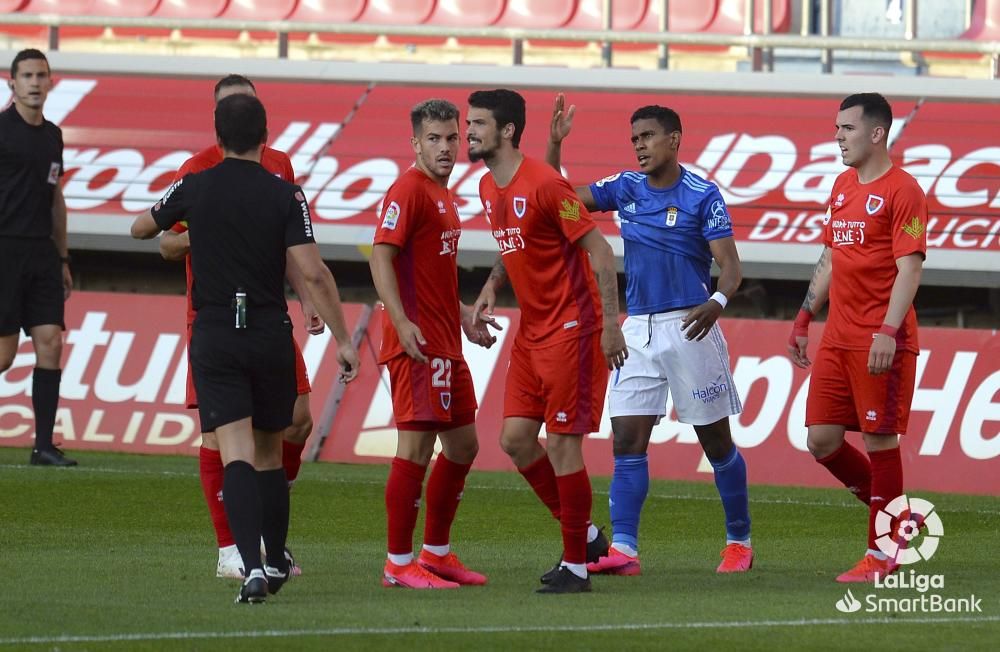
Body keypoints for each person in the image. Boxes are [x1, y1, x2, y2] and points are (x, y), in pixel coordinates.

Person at [131, 93, 360, 603]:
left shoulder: (194, 185)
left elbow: (142, 228)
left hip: (214, 331)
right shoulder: (286, 195)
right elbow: (313, 270)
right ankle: (276, 558)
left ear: (217, 137)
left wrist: (195, 226)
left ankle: (250, 567)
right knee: (271, 454)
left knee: (233, 451)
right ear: (265, 137)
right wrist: (344, 340)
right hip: (268, 330)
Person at [547, 95, 754, 575]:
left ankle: (739, 541)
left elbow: (731, 268)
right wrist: (554, 146)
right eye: (634, 139)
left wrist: (717, 303)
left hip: (690, 324)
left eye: (647, 137)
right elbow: (557, 198)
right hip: (636, 327)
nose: (639, 146)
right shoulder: (626, 187)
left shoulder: (703, 195)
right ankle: (624, 550)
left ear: (673, 140)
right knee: (626, 439)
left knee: (715, 442)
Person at [159, 75, 320, 580]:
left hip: (269, 314)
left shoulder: (279, 167)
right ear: (217, 120)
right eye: (229, 107)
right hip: (214, 315)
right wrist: (218, 223)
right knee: (218, 436)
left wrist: (309, 297)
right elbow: (165, 243)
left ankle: (269, 531)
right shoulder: (196, 171)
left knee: (298, 418)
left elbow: (291, 243)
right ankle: (230, 547)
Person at [467, 89, 627, 594]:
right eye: (467, 123)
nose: (468, 132)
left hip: (572, 331)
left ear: (508, 130)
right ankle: (588, 536)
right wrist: (494, 284)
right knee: (515, 440)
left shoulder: (544, 182)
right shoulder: (487, 187)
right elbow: (514, 243)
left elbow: (602, 253)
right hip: (532, 333)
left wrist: (610, 325)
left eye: (477, 124)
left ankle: (577, 566)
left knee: (562, 445)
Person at [788, 92, 927, 583]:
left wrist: (888, 330)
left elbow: (910, 268)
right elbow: (831, 257)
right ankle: (897, 515)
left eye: (847, 128)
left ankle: (883, 553)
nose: (838, 137)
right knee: (821, 441)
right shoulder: (843, 186)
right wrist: (805, 316)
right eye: (836, 128)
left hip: (879, 340)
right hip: (837, 339)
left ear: (876, 133)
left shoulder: (903, 190)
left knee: (879, 440)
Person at [370, 99, 500, 590]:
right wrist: (401, 322)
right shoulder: (408, 190)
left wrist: (466, 316)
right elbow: (381, 258)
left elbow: (433, 274)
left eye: (451, 138)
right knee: (416, 448)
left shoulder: (442, 195)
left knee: (464, 445)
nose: (445, 147)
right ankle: (398, 563)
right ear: (415, 143)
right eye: (434, 139)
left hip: (447, 340)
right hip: (419, 342)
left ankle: (437, 553)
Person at [0, 49, 75, 467]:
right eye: (26, 75)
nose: (34, 82)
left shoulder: (53, 136)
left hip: (42, 252)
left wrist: (62, 256)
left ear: (50, 82)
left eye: (40, 75)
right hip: (4, 248)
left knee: (51, 342)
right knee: (4, 355)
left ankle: (43, 445)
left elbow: (55, 197)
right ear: (12, 83)